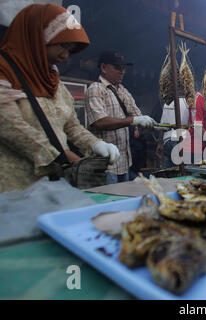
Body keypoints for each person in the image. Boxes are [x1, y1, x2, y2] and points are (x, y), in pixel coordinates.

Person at [0, 4, 119, 192]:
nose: (65, 56)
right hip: (14, 190)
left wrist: (95, 144)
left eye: (70, 50)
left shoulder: (55, 82)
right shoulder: (4, 73)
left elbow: (71, 125)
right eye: (63, 46)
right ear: (37, 37)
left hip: (52, 188)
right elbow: (9, 126)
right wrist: (64, 157)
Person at [86, 51, 156, 185]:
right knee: (110, 204)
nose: (122, 71)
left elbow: (136, 113)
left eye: (123, 68)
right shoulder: (96, 89)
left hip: (124, 163)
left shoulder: (122, 90)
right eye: (117, 67)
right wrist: (133, 121)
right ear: (103, 68)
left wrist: (150, 123)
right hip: (106, 165)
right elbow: (99, 122)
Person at [155, 98, 190, 168]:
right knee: (180, 173)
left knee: (168, 173)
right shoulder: (188, 103)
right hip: (180, 141)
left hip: (167, 141)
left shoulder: (168, 103)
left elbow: (163, 125)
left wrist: (160, 144)